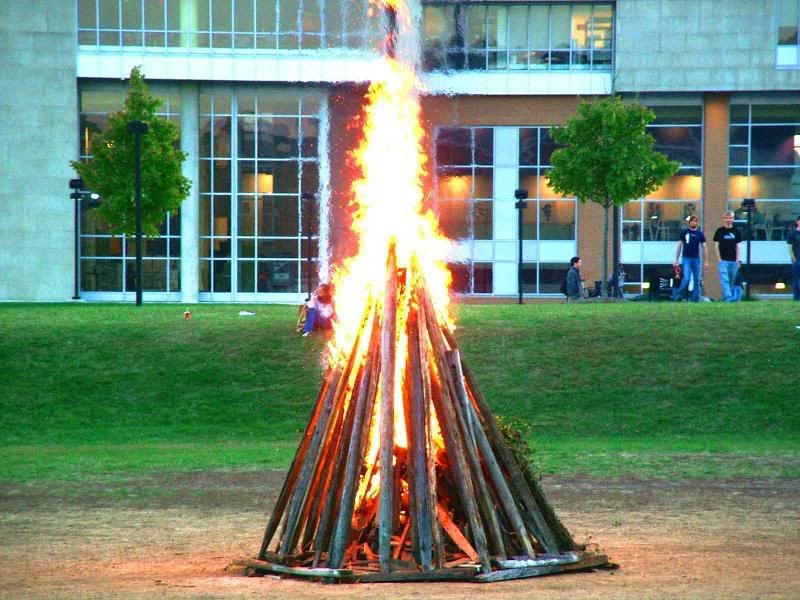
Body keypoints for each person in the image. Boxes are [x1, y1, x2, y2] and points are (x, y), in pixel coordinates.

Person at [672, 215, 708, 302]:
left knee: (697, 280)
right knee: (687, 278)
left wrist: (706, 261)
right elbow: (679, 246)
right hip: (686, 259)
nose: (693, 222)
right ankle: (679, 295)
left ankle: (695, 299)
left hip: (696, 259)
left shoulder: (700, 234)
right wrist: (676, 259)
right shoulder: (684, 232)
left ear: (697, 223)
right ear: (689, 222)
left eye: (695, 221)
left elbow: (704, 248)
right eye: (692, 221)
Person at [712, 210, 742, 302]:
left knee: (731, 280)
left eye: (731, 218)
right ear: (724, 219)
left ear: (733, 219)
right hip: (723, 260)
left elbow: (738, 246)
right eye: (727, 218)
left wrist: (737, 259)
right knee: (724, 279)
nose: (729, 219)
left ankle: (727, 297)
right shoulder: (719, 231)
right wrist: (719, 259)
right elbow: (716, 245)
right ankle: (728, 297)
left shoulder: (736, 231)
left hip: (733, 261)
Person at [788, 214, 800, 301]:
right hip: (797, 260)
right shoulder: (792, 233)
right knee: (796, 279)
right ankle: (796, 297)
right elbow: (790, 248)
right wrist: (794, 259)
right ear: (797, 222)